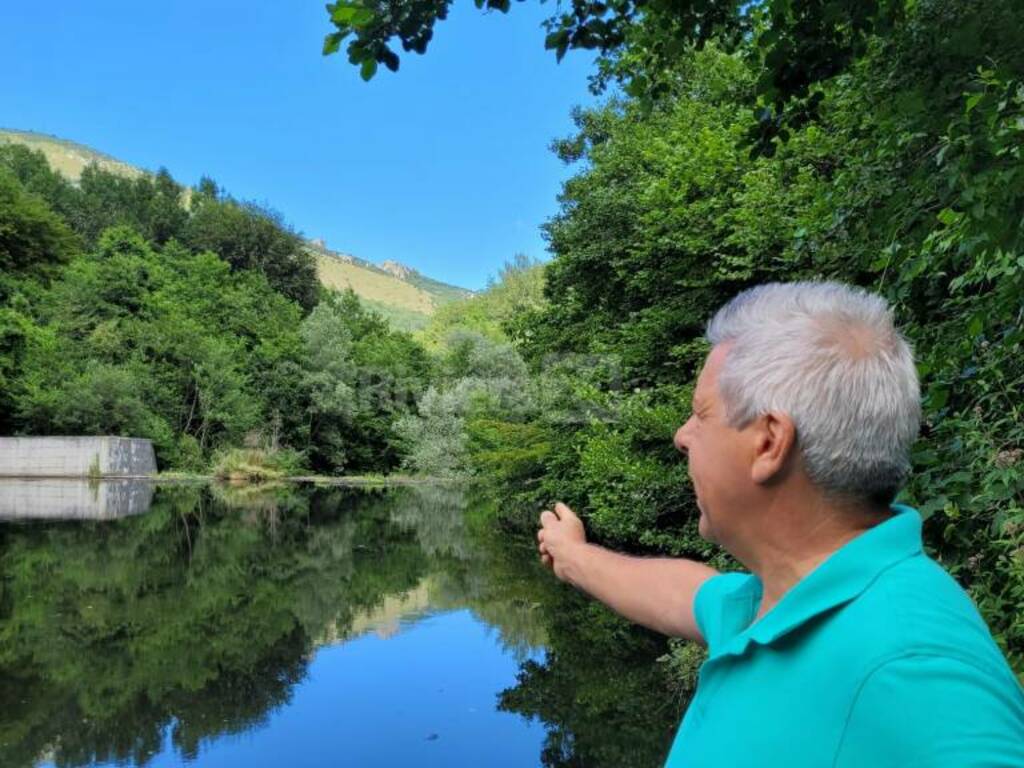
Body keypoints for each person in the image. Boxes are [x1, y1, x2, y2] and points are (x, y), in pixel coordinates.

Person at [537, 281, 1024, 767]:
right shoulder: (778, 600)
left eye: (700, 415)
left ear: (770, 443)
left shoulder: (915, 666)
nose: (682, 436)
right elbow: (688, 592)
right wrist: (574, 554)